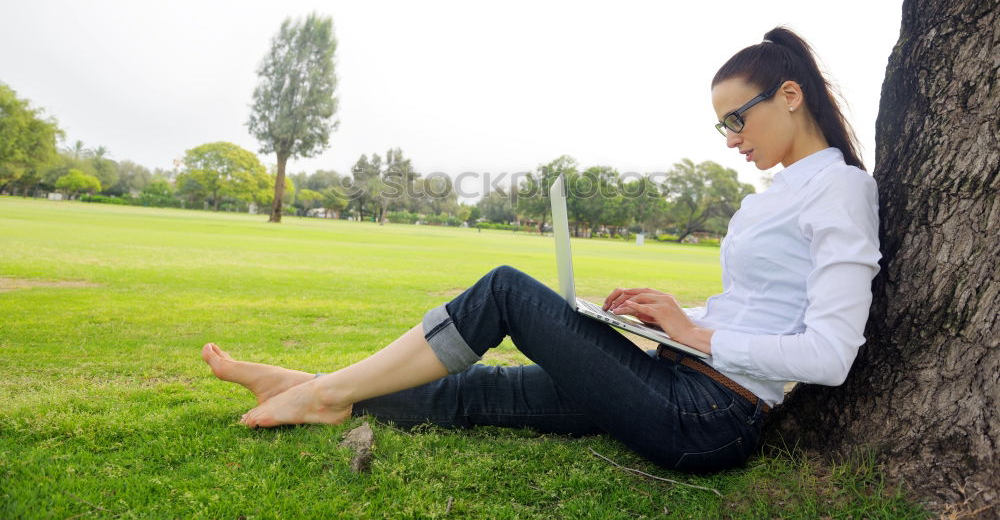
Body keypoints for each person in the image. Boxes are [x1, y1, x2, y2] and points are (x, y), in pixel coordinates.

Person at [201, 27, 881, 473]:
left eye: (736, 119)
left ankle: (319, 392)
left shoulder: (841, 191)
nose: (731, 138)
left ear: (789, 96)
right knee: (479, 393)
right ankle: (305, 387)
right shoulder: (783, 193)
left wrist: (694, 332)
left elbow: (828, 355)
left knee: (503, 289)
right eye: (721, 125)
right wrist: (668, 314)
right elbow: (762, 307)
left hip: (708, 415)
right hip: (679, 380)